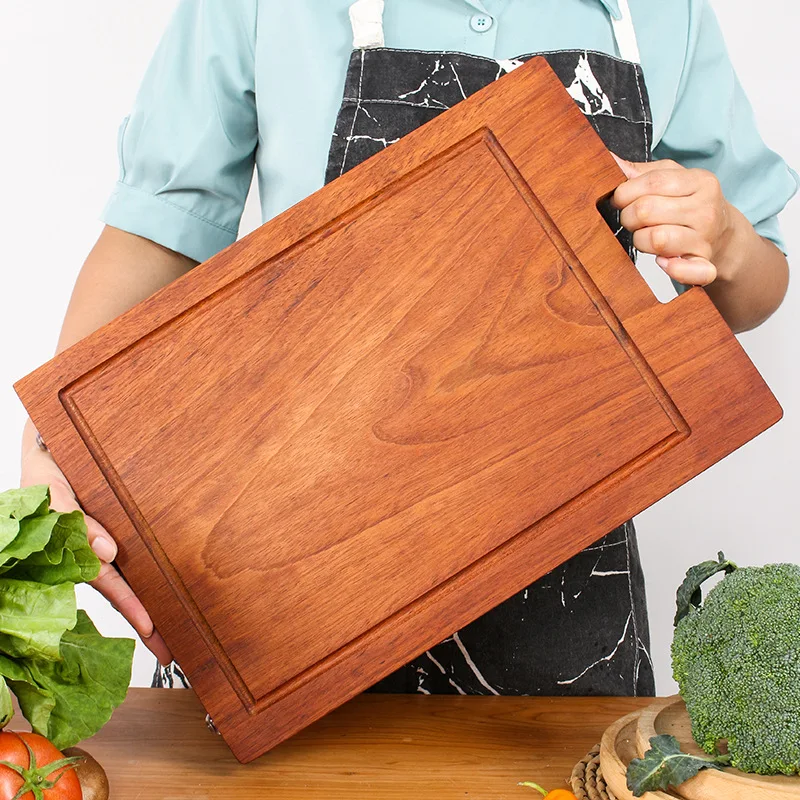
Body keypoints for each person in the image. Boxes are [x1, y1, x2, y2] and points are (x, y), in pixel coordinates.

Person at [20, 0, 797, 696]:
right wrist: (53, 437)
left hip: (565, 595)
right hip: (283, 569)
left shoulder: (665, 12)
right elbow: (162, 232)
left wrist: (725, 238)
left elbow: (754, 288)